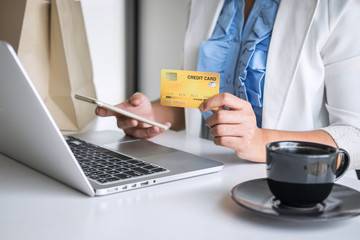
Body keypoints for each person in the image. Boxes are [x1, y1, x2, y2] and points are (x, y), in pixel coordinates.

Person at [96, 0, 360, 170]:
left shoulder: (341, 6)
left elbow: (355, 137)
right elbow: (198, 103)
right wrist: (151, 115)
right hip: (200, 175)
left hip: (288, 193)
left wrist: (261, 142)